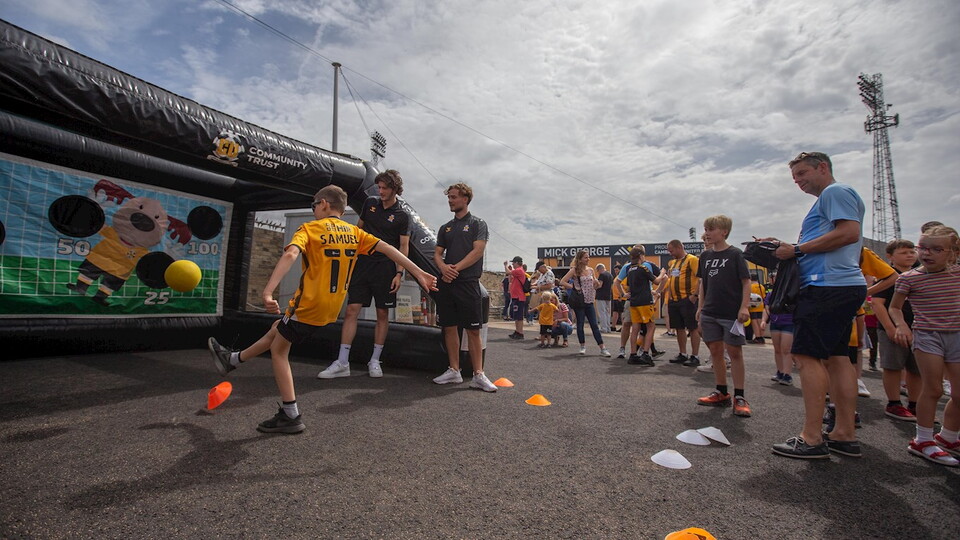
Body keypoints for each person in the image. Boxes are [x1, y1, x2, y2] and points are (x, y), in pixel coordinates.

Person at [207, 185, 438, 433]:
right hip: (331, 308)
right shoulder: (354, 233)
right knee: (277, 329)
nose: (314, 209)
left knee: (279, 351)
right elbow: (389, 249)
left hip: (307, 305)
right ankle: (233, 359)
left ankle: (290, 413)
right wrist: (419, 271)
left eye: (314, 205)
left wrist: (267, 291)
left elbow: (290, 255)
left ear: (325, 204)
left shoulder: (310, 229)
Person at [767, 152, 868, 459]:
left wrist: (796, 249)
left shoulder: (835, 192)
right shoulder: (832, 198)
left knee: (806, 355)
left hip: (826, 285)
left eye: (803, 173)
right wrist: (784, 247)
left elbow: (848, 232)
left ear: (823, 167)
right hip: (841, 284)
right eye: (795, 177)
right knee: (838, 358)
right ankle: (843, 433)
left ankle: (811, 438)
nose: (798, 180)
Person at [317, 170, 411, 379]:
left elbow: (403, 246)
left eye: (385, 188)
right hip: (362, 265)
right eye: (379, 187)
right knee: (351, 310)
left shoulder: (403, 216)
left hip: (386, 269)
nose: (381, 191)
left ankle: (375, 360)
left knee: (382, 314)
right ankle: (342, 362)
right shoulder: (370, 203)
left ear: (394, 188)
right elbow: (357, 232)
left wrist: (399, 273)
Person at [889, 225, 960, 466]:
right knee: (933, 389)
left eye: (936, 249)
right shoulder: (909, 279)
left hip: (957, 336)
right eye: (923, 248)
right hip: (927, 336)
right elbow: (895, 307)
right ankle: (923, 440)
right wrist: (901, 325)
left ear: (953, 252)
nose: (927, 253)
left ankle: (949, 436)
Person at [432, 183, 497, 392]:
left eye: (453, 197)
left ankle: (479, 374)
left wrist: (455, 269)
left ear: (465, 199)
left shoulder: (478, 224)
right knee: (449, 327)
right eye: (449, 197)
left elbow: (478, 251)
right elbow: (437, 254)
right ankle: (454, 371)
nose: (450, 200)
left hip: (468, 283)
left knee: (473, 330)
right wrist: (443, 268)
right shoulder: (445, 228)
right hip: (447, 283)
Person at [695, 215, 753, 417]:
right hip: (710, 312)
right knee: (716, 352)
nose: (708, 233)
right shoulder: (706, 257)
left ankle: (740, 396)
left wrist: (744, 307)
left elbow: (746, 282)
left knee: (735, 353)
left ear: (724, 232)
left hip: (731, 313)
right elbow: (703, 284)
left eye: (711, 229)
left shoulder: (735, 254)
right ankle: (721, 392)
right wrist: (701, 308)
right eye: (706, 229)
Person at [870, 239, 922, 421]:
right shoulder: (887, 276)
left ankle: (915, 404)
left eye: (912, 251)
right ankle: (894, 403)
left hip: (919, 329)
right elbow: (877, 304)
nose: (909, 255)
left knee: (917, 369)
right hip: (892, 329)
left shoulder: (921, 275)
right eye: (903, 252)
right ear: (890, 257)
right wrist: (890, 328)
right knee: (893, 366)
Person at [560, 250, 613, 357]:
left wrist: (597, 283)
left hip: (590, 300)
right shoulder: (574, 270)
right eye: (585, 257)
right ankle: (582, 346)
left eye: (588, 257)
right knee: (580, 324)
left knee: (594, 324)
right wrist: (574, 287)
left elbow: (595, 284)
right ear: (579, 259)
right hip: (580, 301)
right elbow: (562, 281)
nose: (588, 259)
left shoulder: (591, 270)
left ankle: (602, 347)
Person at [663, 239, 702, 367]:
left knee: (693, 327)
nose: (670, 253)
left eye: (671, 250)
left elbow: (700, 278)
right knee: (678, 327)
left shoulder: (692, 260)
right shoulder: (673, 263)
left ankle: (695, 356)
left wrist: (695, 295)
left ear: (679, 247)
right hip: (674, 300)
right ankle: (682, 353)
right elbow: (670, 280)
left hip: (688, 300)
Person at [625, 247, 666, 365]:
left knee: (635, 329)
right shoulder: (643, 268)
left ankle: (633, 354)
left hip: (634, 303)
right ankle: (645, 353)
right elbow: (656, 281)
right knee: (651, 327)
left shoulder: (629, 270)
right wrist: (662, 273)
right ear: (641, 256)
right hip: (644, 302)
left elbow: (629, 287)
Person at [760, 270, 794, 385]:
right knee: (777, 349)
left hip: (789, 321)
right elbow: (767, 307)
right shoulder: (771, 293)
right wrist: (764, 321)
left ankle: (787, 374)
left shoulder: (792, 291)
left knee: (786, 349)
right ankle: (780, 371)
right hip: (775, 321)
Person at [504, 256, 527, 339]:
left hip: (519, 296)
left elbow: (508, 272)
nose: (512, 264)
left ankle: (520, 332)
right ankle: (517, 331)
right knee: (516, 315)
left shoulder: (519, 270)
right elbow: (510, 278)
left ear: (517, 263)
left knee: (519, 316)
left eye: (513, 263)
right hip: (516, 296)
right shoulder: (518, 271)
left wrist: (505, 265)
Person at [746, 274, 767, 344]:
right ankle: (762, 337)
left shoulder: (750, 286)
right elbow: (763, 296)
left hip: (752, 307)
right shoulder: (761, 286)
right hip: (760, 306)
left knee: (754, 322)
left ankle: (757, 337)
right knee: (760, 321)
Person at [595, 263, 614, 333]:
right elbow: (612, 286)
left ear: (600, 269)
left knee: (602, 312)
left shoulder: (602, 275)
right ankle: (608, 328)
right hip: (608, 296)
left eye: (597, 271)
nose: (598, 272)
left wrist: (594, 287)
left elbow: (600, 285)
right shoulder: (610, 275)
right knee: (607, 312)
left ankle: (603, 328)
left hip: (601, 296)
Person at [610, 264, 624, 332]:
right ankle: (613, 326)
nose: (616, 271)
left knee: (622, 313)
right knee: (615, 312)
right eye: (615, 270)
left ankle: (623, 327)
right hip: (615, 297)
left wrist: (620, 296)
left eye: (617, 270)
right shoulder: (616, 277)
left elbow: (623, 287)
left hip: (620, 298)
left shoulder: (622, 277)